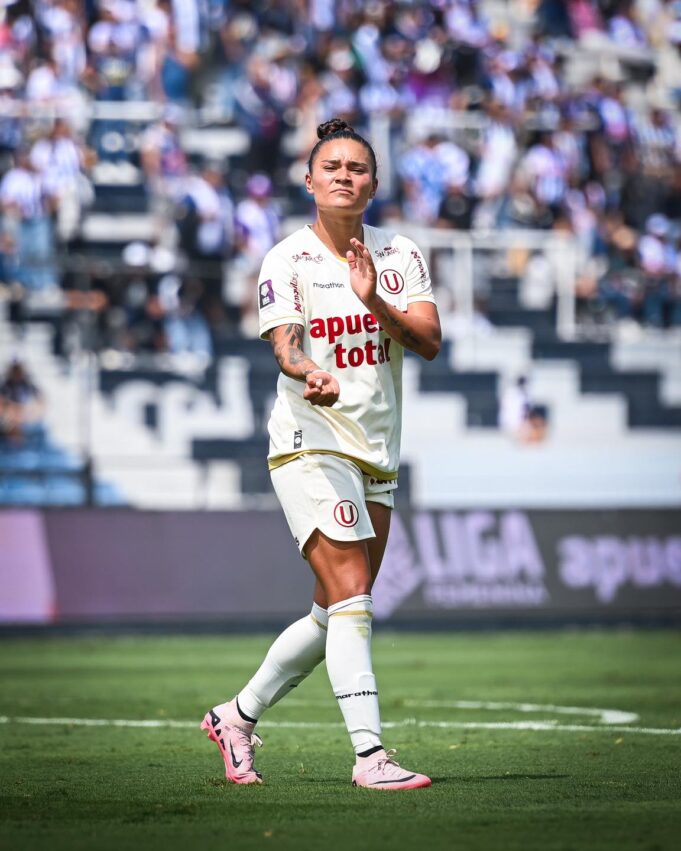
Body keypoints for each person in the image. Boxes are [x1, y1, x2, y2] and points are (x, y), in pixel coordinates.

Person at [200, 118, 441, 790]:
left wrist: (376, 302)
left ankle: (234, 716)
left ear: (373, 182)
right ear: (310, 181)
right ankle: (370, 757)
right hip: (310, 441)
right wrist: (308, 368)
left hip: (376, 452)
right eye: (330, 166)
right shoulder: (286, 258)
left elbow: (427, 341)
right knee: (354, 597)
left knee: (331, 608)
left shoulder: (399, 255)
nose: (344, 175)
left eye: (356, 167)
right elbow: (283, 343)